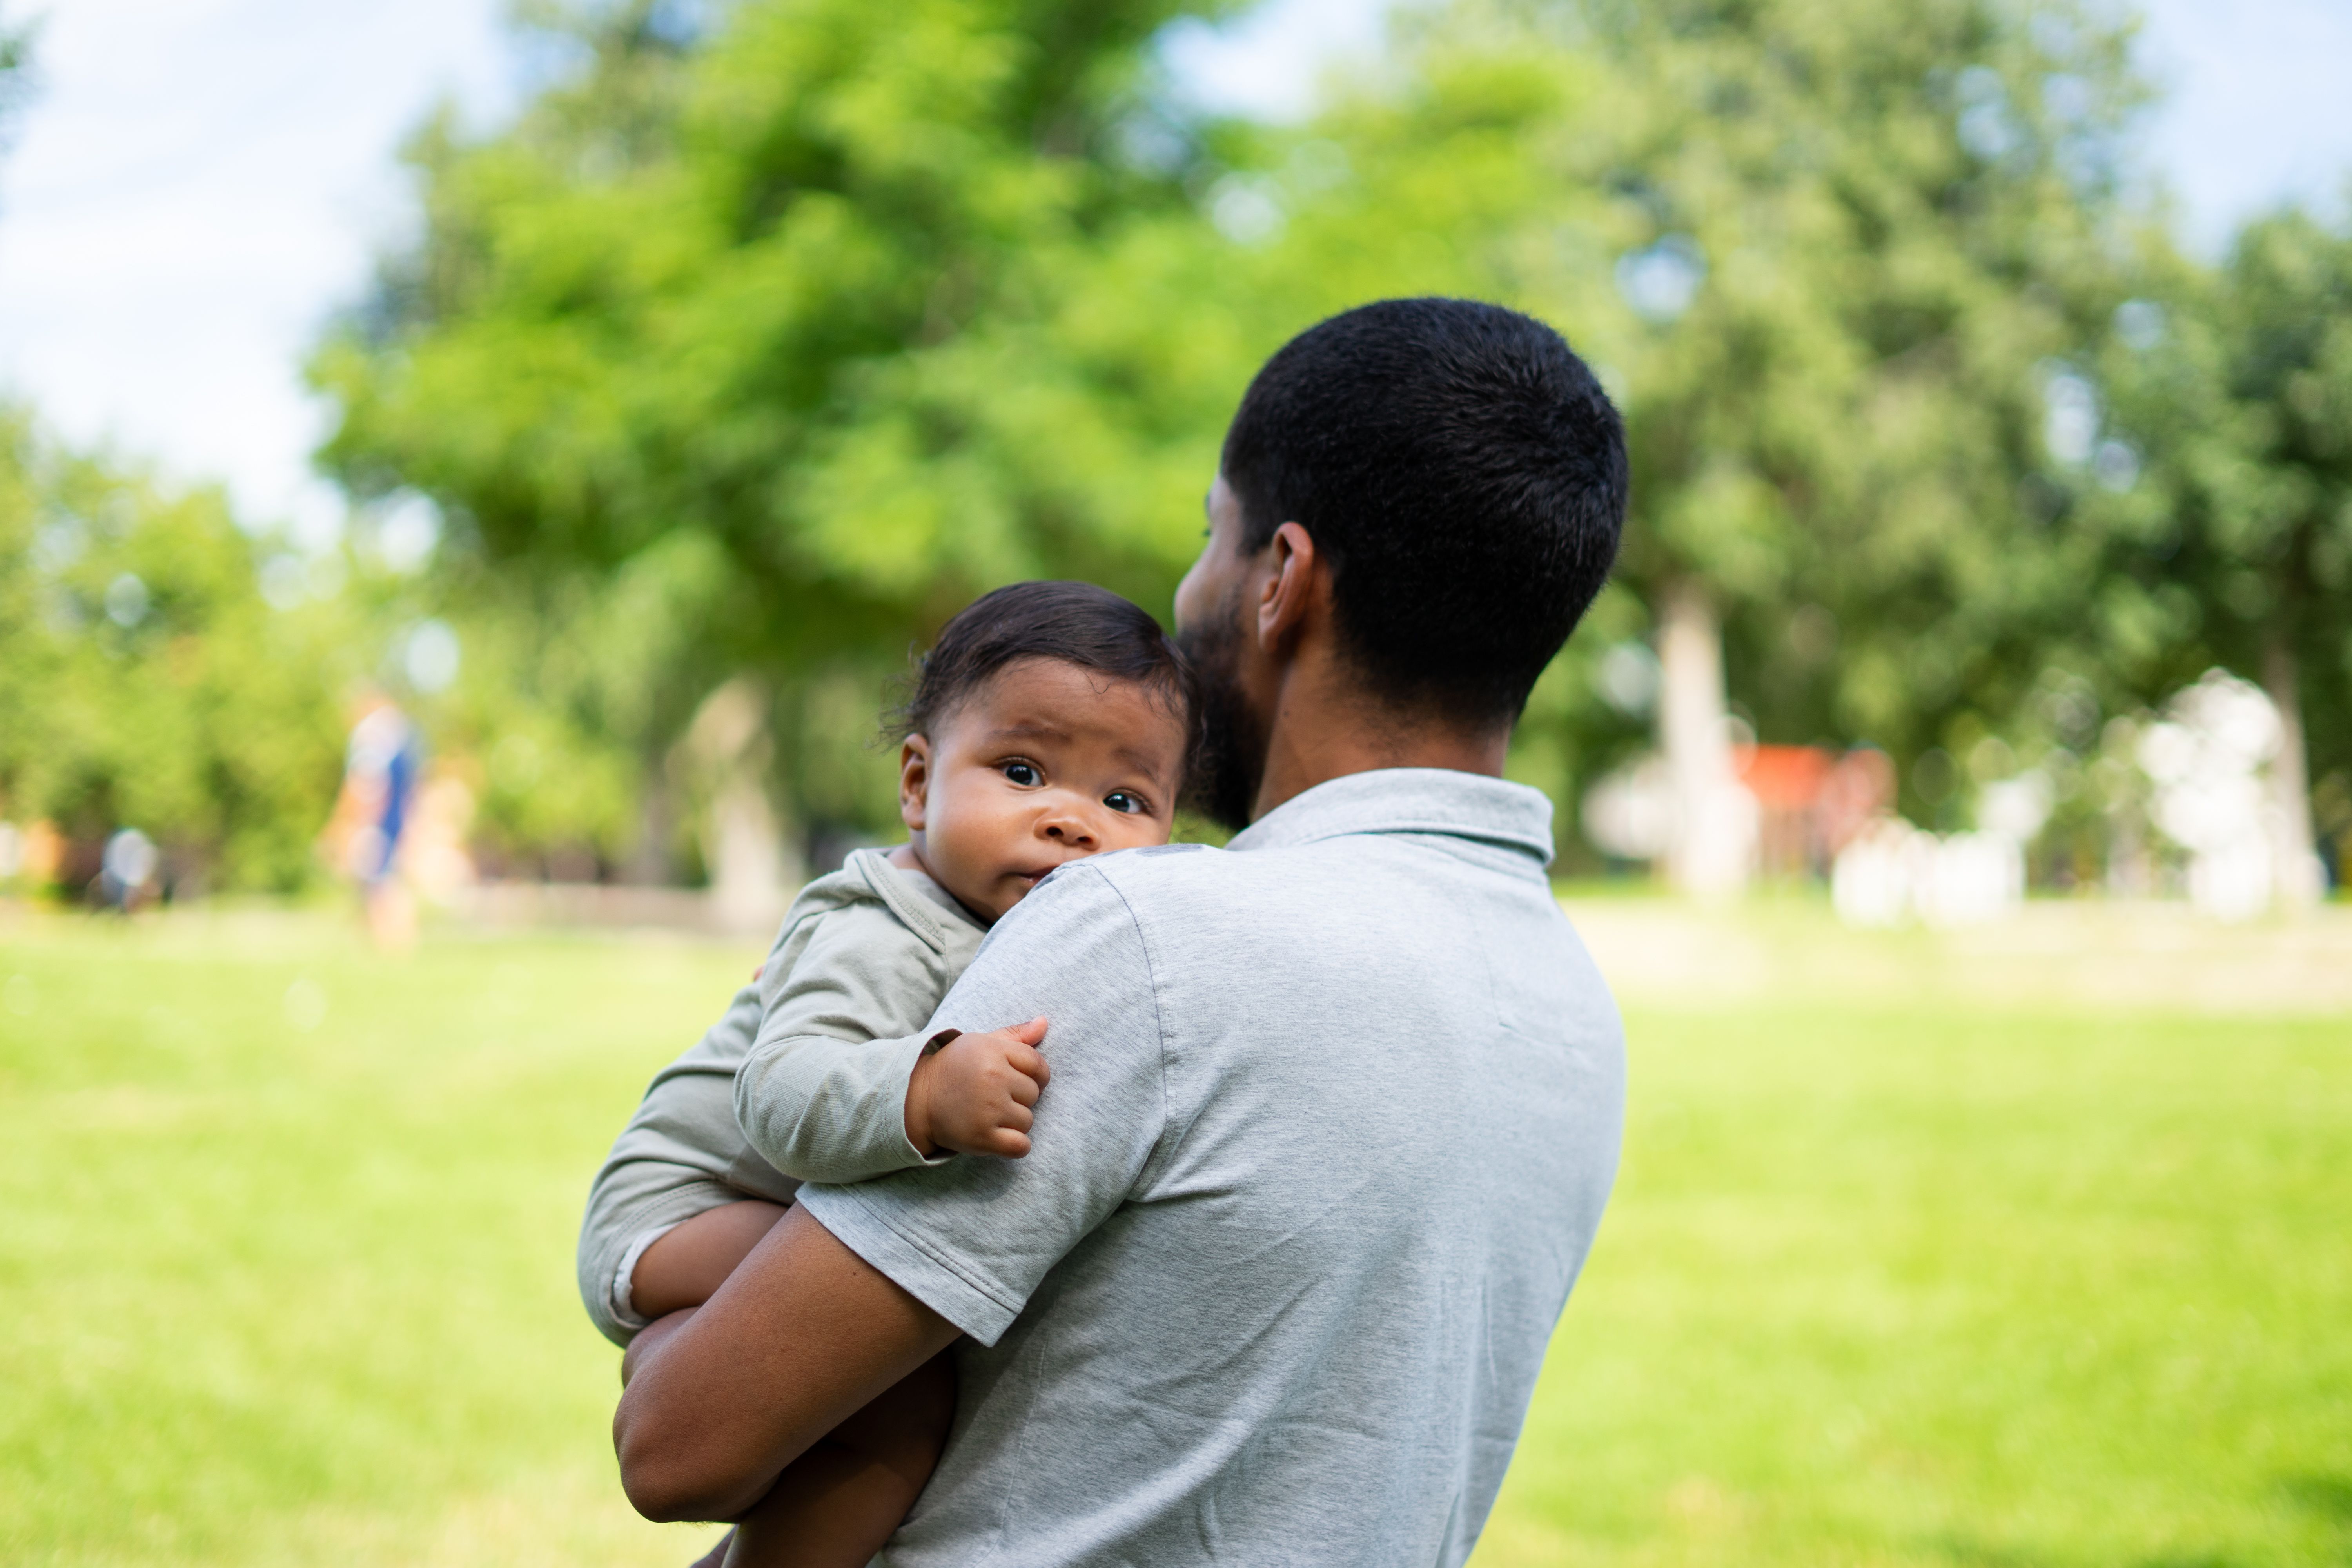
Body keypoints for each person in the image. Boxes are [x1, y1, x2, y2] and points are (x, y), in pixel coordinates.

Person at [616, 296, 1632, 1567]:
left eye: (1210, 534)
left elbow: (678, 1444)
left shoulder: (1144, 936)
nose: (1188, 585)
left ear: (1282, 582)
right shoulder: (1571, 1009)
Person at [579, 581, 1194, 1566]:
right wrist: (925, 1091)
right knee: (899, 1387)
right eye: (1024, 769)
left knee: (890, 1408)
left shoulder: (1028, 923)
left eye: (1125, 799)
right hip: (678, 1210)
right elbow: (778, 1093)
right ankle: (680, 1366)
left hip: (751, 1208)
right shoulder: (885, 927)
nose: (1073, 819)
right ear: (917, 783)